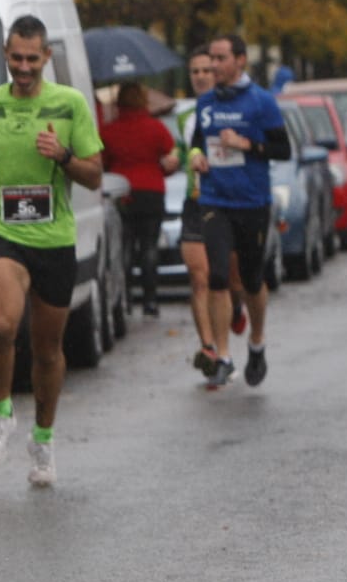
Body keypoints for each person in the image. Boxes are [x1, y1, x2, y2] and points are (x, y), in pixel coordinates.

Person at [0, 15, 104, 485]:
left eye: (32, 59)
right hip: (4, 233)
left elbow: (94, 174)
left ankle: (43, 439)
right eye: (16, 58)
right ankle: (2, 411)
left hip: (54, 238)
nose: (23, 67)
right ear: (5, 55)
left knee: (48, 350)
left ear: (46, 57)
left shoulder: (69, 104)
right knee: (3, 323)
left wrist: (64, 157)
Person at [186, 33, 288, 385]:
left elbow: (282, 149)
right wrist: (195, 155)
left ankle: (257, 343)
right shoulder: (206, 102)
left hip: (252, 202)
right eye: (210, 59)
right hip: (215, 199)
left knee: (251, 279)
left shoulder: (261, 101)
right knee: (216, 275)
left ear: (240, 60)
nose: (213, 66)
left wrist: (246, 144)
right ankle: (224, 355)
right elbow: (198, 141)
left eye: (220, 58)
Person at [177, 50, 246, 377]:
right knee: (199, 277)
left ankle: (236, 304)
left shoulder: (234, 109)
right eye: (195, 71)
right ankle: (211, 347)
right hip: (196, 201)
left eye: (207, 69)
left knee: (229, 276)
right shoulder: (183, 116)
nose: (202, 76)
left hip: (229, 201)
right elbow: (177, 152)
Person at [99, 80, 179, 317]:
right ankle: (150, 300)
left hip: (121, 192)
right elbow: (170, 158)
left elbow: (102, 162)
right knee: (149, 247)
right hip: (152, 191)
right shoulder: (156, 127)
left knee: (123, 247)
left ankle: (124, 297)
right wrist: (161, 172)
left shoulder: (109, 130)